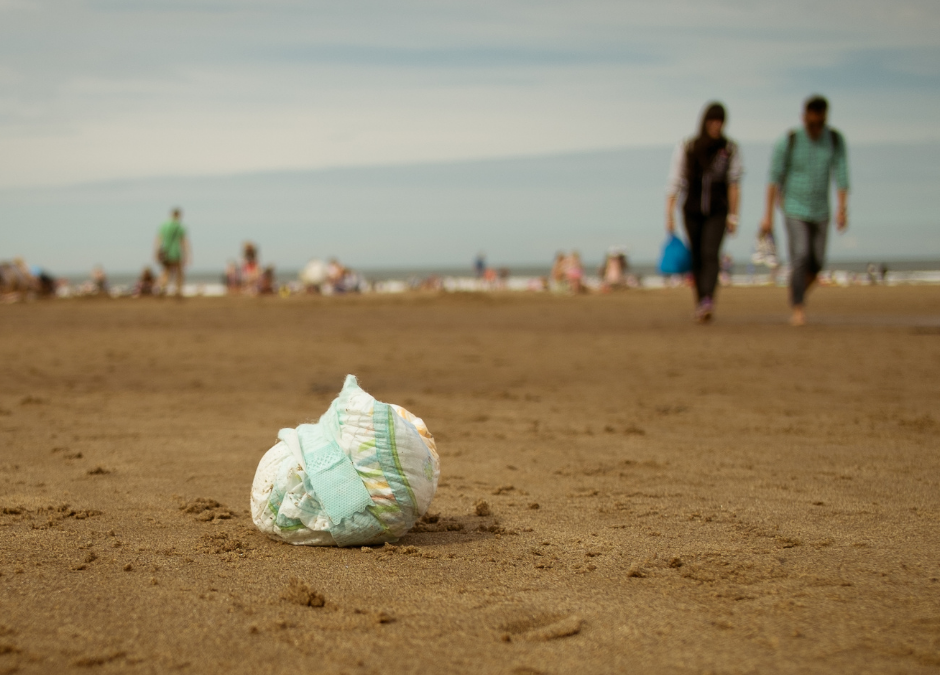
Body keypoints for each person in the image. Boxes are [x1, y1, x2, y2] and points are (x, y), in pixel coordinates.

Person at [760, 95, 849, 326]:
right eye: (812, 123)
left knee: (817, 262)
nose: (817, 127)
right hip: (794, 208)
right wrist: (767, 216)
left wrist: (842, 209)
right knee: (799, 255)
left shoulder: (835, 141)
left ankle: (795, 292)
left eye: (821, 122)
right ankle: (798, 308)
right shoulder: (788, 141)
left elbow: (842, 175)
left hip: (821, 211)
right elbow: (773, 178)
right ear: (804, 118)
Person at [666, 102, 743, 323]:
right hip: (691, 211)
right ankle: (701, 301)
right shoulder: (688, 147)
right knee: (697, 256)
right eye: (712, 120)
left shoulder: (729, 149)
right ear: (704, 121)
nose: (716, 125)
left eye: (720, 121)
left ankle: (708, 298)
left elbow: (734, 184)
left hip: (718, 211)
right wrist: (669, 213)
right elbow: (675, 181)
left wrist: (734, 215)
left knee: (711, 253)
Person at [154, 208, 190, 297]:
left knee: (166, 271)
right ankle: (178, 290)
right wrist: (187, 254)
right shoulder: (180, 226)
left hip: (166, 252)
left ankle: (162, 288)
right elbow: (184, 242)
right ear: (178, 215)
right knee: (179, 272)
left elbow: (158, 239)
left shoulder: (164, 225)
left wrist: (156, 252)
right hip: (176, 252)